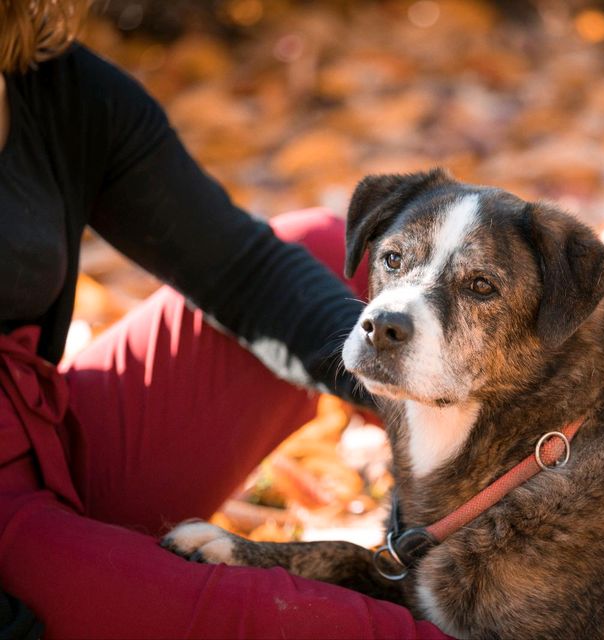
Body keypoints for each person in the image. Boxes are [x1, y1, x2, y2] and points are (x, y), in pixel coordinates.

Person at [0, 1, 448, 637]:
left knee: (332, 258)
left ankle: (482, 507)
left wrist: (428, 398)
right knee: (289, 618)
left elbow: (242, 272)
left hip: (45, 433)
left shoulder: (53, 85)